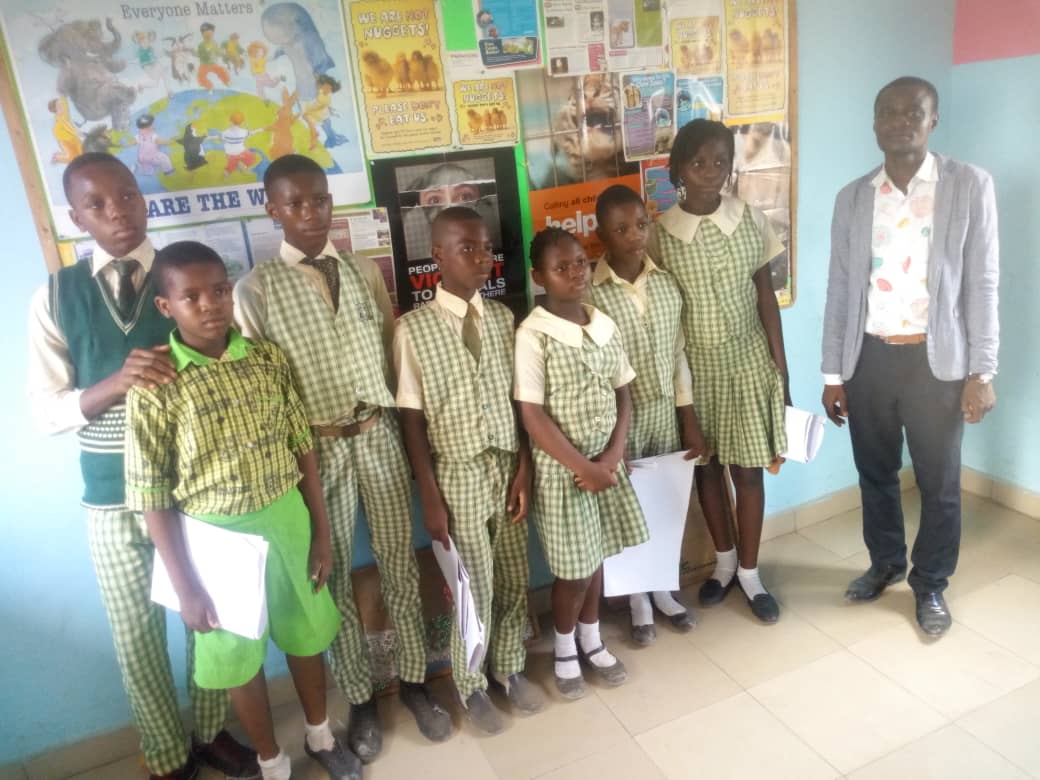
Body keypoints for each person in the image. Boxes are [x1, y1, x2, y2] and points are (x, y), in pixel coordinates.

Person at [26, 153, 255, 780]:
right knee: (136, 636)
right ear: (76, 218)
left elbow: (232, 366)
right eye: (96, 204)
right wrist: (113, 384)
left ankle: (211, 732)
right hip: (110, 495)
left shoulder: (189, 279)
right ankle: (166, 755)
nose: (117, 212)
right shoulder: (56, 296)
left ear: (143, 198)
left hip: (195, 486)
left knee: (210, 619)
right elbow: (45, 410)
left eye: (127, 195)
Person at [234, 154, 452, 760]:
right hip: (316, 449)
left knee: (398, 562)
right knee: (328, 579)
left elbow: (388, 348)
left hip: (377, 432)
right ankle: (359, 696)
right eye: (295, 203)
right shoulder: (255, 290)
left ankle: (414, 680)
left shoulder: (361, 270)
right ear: (273, 209)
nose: (311, 212)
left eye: (320, 199)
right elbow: (262, 388)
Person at [124, 241, 357, 780]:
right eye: (191, 296)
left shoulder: (267, 359)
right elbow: (152, 496)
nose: (210, 304)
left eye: (219, 290)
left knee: (305, 635)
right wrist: (185, 586)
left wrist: (321, 532)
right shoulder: (155, 387)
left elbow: (302, 446)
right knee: (237, 656)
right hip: (216, 540)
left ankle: (320, 735)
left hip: (288, 521)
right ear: (166, 306)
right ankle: (271, 761)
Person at [821, 76, 999, 637]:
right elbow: (841, 289)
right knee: (874, 473)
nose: (900, 121)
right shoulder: (854, 197)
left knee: (938, 482)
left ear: (932, 120)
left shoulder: (968, 186)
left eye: (913, 112)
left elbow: (982, 284)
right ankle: (885, 564)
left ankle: (931, 584)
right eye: (888, 112)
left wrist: (982, 371)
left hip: (936, 363)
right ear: (874, 122)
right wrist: (833, 374)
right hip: (868, 359)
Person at [394, 207, 545, 734]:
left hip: (506, 462)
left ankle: (509, 666)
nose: (483, 258)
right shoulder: (412, 330)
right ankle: (470, 682)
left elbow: (521, 401)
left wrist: (524, 467)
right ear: (437, 255)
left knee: (513, 574)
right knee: (472, 584)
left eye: (486, 248)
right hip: (455, 471)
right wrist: (430, 496)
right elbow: (411, 421)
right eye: (467, 248)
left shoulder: (503, 319)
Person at [649, 118, 790, 625]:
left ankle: (750, 574)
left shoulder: (750, 220)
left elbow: (766, 297)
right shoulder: (660, 236)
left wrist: (782, 373)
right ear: (678, 170)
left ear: (731, 168)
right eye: (698, 162)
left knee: (747, 471)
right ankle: (724, 564)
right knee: (707, 470)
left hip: (748, 363)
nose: (710, 171)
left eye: (720, 162)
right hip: (696, 372)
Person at [515, 227, 649, 700]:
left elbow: (623, 392)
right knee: (574, 570)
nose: (575, 273)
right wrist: (584, 467)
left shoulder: (603, 323)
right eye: (561, 267)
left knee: (598, 558)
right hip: (564, 472)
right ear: (539, 277)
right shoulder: (533, 335)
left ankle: (591, 639)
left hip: (605, 464)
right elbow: (532, 415)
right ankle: (564, 648)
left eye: (580, 263)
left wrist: (612, 454)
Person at [590, 185, 707, 645]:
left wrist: (688, 416)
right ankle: (637, 599)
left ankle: (662, 591)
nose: (634, 236)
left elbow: (678, 354)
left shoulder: (665, 283)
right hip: (621, 420)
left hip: (663, 413)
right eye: (621, 229)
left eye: (640, 224)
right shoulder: (592, 294)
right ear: (601, 234)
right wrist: (608, 434)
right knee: (628, 508)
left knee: (662, 503)